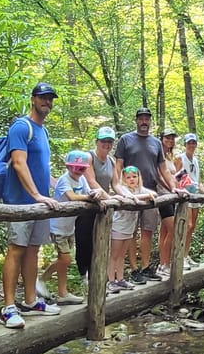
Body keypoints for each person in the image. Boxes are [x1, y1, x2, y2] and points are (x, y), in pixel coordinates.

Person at [0, 82, 63, 329]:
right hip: (20, 202)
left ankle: (30, 301)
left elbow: (42, 169)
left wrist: (59, 189)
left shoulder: (43, 131)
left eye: (50, 98)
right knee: (16, 249)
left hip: (40, 202)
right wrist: (36, 195)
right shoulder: (20, 127)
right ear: (33, 99)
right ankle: (8, 308)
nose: (47, 102)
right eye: (43, 97)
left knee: (33, 250)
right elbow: (18, 163)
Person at [113, 107, 185, 284]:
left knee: (148, 231)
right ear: (136, 120)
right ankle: (134, 269)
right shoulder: (125, 140)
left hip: (151, 193)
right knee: (129, 232)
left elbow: (163, 169)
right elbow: (118, 166)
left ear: (150, 121)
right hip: (130, 193)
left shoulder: (155, 143)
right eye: (141, 118)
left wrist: (173, 188)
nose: (144, 121)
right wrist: (119, 188)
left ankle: (145, 267)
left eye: (147, 118)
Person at [38, 151, 108, 306]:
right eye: (74, 167)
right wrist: (91, 198)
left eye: (81, 168)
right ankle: (41, 279)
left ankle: (63, 293)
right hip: (58, 226)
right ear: (68, 166)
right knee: (65, 258)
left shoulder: (82, 179)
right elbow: (72, 197)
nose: (78, 170)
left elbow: (87, 192)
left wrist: (95, 196)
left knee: (65, 261)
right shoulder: (64, 180)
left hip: (69, 227)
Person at [73, 126, 117, 288]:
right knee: (85, 243)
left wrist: (129, 197)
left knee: (102, 243)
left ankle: (98, 281)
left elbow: (117, 184)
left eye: (109, 141)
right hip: (88, 207)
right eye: (103, 141)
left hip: (103, 207)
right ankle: (82, 277)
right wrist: (110, 199)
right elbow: (91, 181)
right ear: (97, 141)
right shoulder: (89, 157)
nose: (106, 144)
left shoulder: (111, 161)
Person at [109, 166, 156, 293]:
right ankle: (111, 281)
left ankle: (120, 279)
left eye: (134, 177)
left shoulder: (139, 189)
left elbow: (153, 193)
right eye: (128, 177)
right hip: (119, 226)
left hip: (129, 227)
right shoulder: (122, 189)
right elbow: (129, 197)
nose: (131, 179)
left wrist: (147, 194)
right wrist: (146, 196)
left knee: (122, 255)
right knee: (114, 255)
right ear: (123, 179)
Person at [174, 133, 202, 270]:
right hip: (185, 196)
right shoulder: (180, 158)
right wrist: (183, 189)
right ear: (185, 144)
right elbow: (176, 177)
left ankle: (186, 255)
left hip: (195, 195)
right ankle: (180, 257)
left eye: (193, 143)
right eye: (189, 143)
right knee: (187, 225)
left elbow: (198, 181)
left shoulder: (196, 161)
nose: (191, 145)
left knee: (192, 227)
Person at [156, 129, 179, 279]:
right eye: (167, 138)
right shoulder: (157, 155)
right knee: (173, 228)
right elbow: (159, 176)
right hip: (163, 195)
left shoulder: (170, 157)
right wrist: (171, 188)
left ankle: (163, 264)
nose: (170, 140)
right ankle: (165, 264)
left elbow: (172, 175)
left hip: (172, 196)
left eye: (172, 138)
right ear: (161, 139)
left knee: (165, 231)